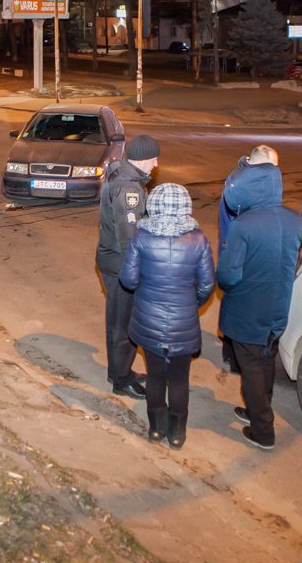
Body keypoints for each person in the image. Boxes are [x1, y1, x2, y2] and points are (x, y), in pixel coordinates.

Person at [119, 183, 215, 449]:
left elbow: (127, 279)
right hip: (183, 322)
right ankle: (177, 432)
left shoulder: (141, 237)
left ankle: (156, 429)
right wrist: (189, 304)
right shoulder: (198, 239)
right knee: (179, 379)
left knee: (156, 376)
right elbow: (208, 285)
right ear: (185, 204)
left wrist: (147, 294)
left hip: (148, 320)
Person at [217, 156, 302, 451]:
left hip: (248, 309)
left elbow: (228, 275)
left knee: (251, 366)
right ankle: (258, 409)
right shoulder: (293, 219)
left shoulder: (244, 225)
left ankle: (263, 429)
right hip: (278, 306)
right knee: (266, 359)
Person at [95, 134, 160, 399]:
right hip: (122, 265)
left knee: (118, 321)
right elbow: (130, 239)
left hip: (113, 261)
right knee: (125, 325)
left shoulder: (124, 177)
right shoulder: (129, 189)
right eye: (154, 159)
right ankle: (121, 380)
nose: (156, 165)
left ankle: (118, 371)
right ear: (144, 159)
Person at [217, 144, 280, 373]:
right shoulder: (244, 184)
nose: (274, 173)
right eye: (271, 167)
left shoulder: (241, 176)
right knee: (238, 301)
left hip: (236, 246)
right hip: (239, 249)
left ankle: (231, 351)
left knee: (235, 299)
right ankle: (234, 355)